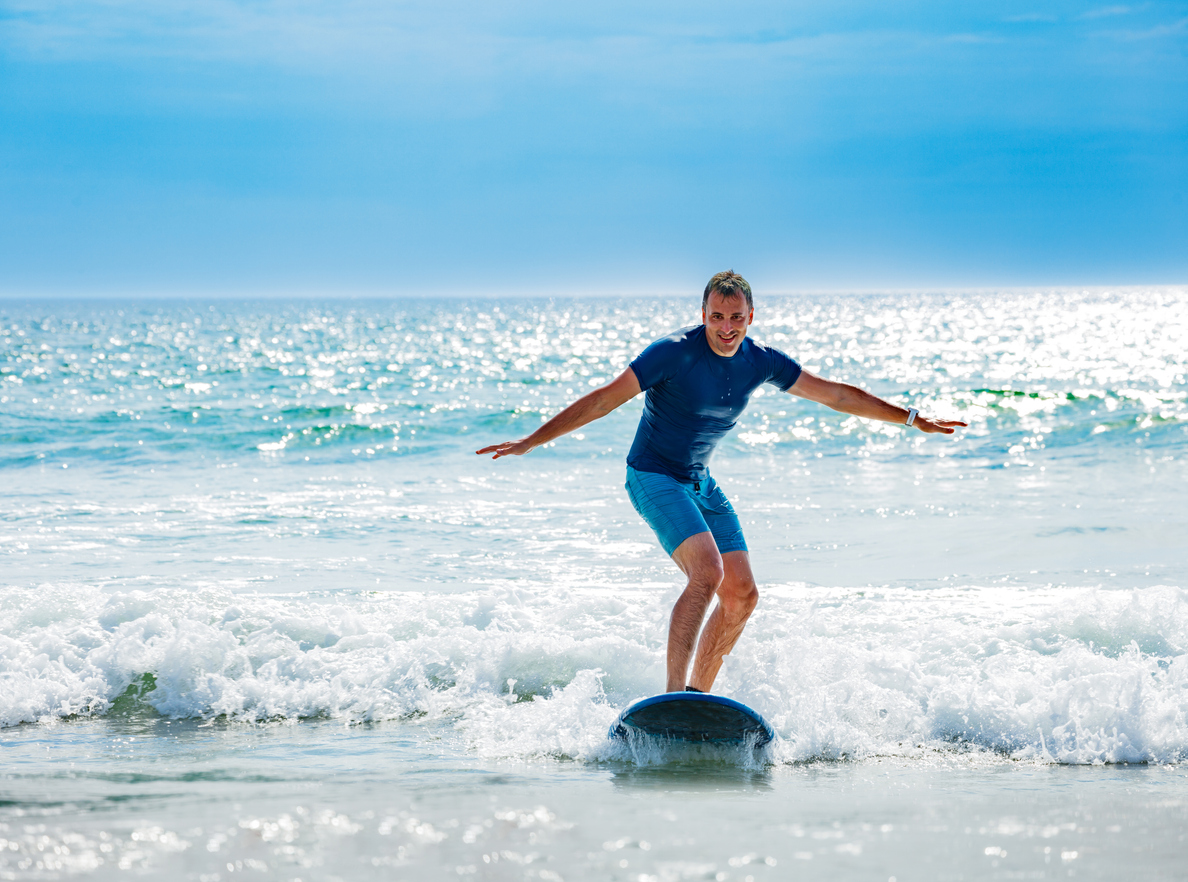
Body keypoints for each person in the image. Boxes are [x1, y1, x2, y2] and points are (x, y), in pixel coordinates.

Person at [477, 271, 966, 694]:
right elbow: (604, 400)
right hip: (651, 475)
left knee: (743, 594)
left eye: (735, 318)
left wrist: (911, 419)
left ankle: (697, 700)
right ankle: (669, 698)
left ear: (751, 316)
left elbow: (836, 396)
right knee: (706, 573)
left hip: (699, 483)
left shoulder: (762, 360)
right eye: (716, 317)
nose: (726, 329)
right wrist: (531, 441)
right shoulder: (672, 353)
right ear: (703, 314)